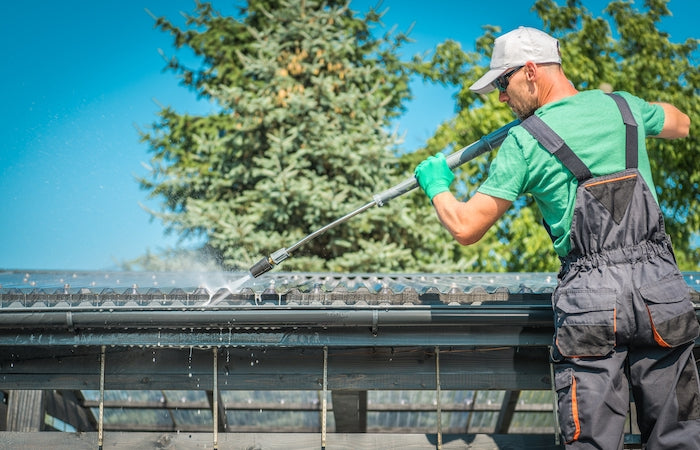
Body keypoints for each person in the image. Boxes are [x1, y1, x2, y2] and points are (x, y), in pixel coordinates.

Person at [414, 26, 700, 449]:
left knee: (592, 443)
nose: (500, 97)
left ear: (531, 71)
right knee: (682, 438)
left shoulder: (525, 142)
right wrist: (637, 114)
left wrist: (436, 185)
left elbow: (465, 226)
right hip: (661, 292)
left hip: (592, 304)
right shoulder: (624, 107)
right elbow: (682, 123)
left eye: (502, 82)